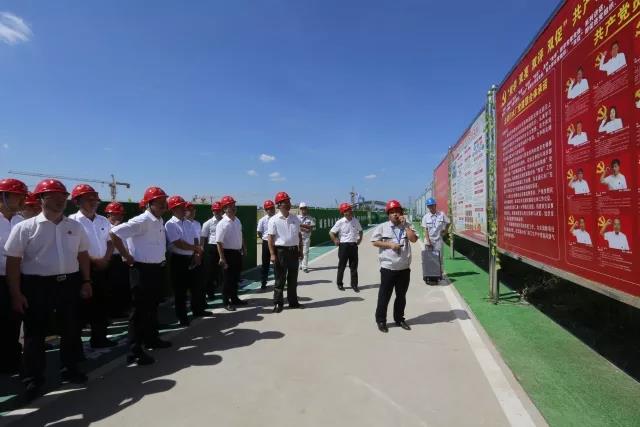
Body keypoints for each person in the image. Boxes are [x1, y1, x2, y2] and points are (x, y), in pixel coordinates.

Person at [4, 179, 93, 400]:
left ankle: (70, 368)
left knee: (71, 329)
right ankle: (33, 379)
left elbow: (82, 254)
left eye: (63, 196)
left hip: (69, 283)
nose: (60, 200)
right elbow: (13, 262)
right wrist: (16, 293)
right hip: (37, 286)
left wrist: (86, 281)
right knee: (35, 334)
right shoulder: (25, 228)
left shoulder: (75, 227)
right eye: (53, 196)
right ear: (41, 199)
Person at [110, 186, 172, 366]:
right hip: (142, 270)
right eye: (159, 202)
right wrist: (125, 255)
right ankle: (134, 351)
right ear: (149, 204)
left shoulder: (159, 220)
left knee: (152, 307)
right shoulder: (141, 220)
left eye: (164, 202)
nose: (163, 205)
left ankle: (152, 339)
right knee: (139, 312)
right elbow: (114, 233)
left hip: (156, 269)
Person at [69, 184, 117, 348]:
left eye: (95, 200)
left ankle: (99, 338)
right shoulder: (72, 221)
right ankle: (75, 347)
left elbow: (110, 242)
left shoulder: (103, 220)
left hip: (104, 266)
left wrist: (106, 259)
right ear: (77, 201)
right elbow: (74, 248)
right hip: (83, 269)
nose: (93, 203)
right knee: (81, 307)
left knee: (102, 304)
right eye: (88, 199)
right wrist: (95, 260)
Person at [372, 200, 418, 333]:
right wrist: (390, 245)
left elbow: (414, 239)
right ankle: (381, 321)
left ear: (401, 213)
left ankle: (399, 319)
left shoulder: (407, 225)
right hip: (388, 268)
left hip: (404, 268)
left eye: (397, 211)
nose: (395, 214)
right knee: (384, 296)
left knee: (401, 296)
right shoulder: (382, 227)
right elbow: (374, 242)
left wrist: (406, 226)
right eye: (392, 212)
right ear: (388, 214)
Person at [165, 196, 210, 326]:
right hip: (178, 260)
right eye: (181, 207)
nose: (184, 209)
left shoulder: (189, 223)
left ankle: (197, 310)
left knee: (196, 286)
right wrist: (195, 249)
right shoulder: (170, 224)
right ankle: (182, 317)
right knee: (180, 290)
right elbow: (178, 243)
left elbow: (195, 239)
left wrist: (196, 254)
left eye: (184, 207)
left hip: (191, 257)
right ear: (173, 209)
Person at [0, 178, 27, 375]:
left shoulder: (22, 222)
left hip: (19, 277)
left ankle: (12, 360)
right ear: (3, 196)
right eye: (18, 196)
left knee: (14, 320)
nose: (22, 200)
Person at [267, 191, 304, 313]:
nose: (288, 204)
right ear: (279, 205)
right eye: (285, 202)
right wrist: (272, 254)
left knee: (293, 279)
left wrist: (301, 250)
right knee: (280, 279)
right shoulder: (273, 220)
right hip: (280, 252)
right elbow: (270, 238)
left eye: (289, 202)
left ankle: (293, 302)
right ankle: (278, 303)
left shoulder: (295, 218)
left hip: (293, 251)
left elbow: (299, 235)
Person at [215, 195, 247, 312]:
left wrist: (244, 247)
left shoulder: (237, 220)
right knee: (227, 280)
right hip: (227, 254)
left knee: (235, 278)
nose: (233, 208)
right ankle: (226, 302)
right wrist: (222, 258)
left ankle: (234, 298)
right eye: (230, 206)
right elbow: (219, 242)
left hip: (237, 253)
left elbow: (241, 234)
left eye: (234, 205)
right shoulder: (222, 223)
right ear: (224, 209)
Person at [104, 201, 130, 317]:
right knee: (112, 285)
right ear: (109, 214)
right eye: (117, 214)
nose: (120, 216)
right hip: (111, 258)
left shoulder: (123, 227)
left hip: (123, 258)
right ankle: (113, 311)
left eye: (121, 214)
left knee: (123, 285)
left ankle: (122, 309)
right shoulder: (105, 227)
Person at [330, 203, 363, 292]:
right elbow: (331, 232)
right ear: (343, 212)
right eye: (347, 210)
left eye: (350, 210)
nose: (350, 211)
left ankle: (354, 285)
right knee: (342, 266)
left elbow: (360, 231)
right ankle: (339, 284)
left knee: (354, 267)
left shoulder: (355, 221)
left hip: (353, 246)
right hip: (344, 246)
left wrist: (360, 239)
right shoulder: (340, 222)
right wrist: (335, 240)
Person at [421, 198, 450, 285]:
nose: (431, 207)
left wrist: (445, 231)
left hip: (438, 240)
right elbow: (425, 230)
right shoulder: (425, 217)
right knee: (429, 258)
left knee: (439, 258)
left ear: (435, 205)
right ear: (427, 207)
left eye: (432, 205)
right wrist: (428, 241)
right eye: (429, 206)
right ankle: (429, 275)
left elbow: (448, 222)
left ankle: (440, 274)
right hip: (429, 240)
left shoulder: (441, 214)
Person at [201, 201, 224, 300]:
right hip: (212, 248)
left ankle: (224, 290)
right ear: (212, 211)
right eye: (215, 210)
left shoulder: (225, 221)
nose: (217, 212)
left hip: (224, 247)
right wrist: (201, 250)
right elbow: (203, 237)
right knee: (210, 272)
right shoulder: (208, 223)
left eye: (219, 210)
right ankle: (210, 292)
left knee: (223, 271)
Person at [257, 200, 276, 288]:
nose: (271, 210)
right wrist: (265, 239)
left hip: (276, 243)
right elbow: (259, 232)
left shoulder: (277, 219)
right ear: (266, 210)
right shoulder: (262, 220)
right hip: (266, 243)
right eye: (269, 208)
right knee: (265, 264)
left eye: (272, 208)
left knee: (277, 264)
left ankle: (278, 281)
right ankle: (263, 282)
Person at [298, 202, 316, 273]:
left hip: (306, 238)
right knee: (299, 252)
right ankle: (300, 265)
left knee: (305, 252)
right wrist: (305, 229)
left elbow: (311, 228)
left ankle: (305, 267)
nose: (303, 209)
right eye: (302, 208)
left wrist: (301, 227)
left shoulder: (310, 218)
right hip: (298, 238)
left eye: (304, 208)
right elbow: (296, 227)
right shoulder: (297, 218)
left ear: (306, 209)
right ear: (300, 209)